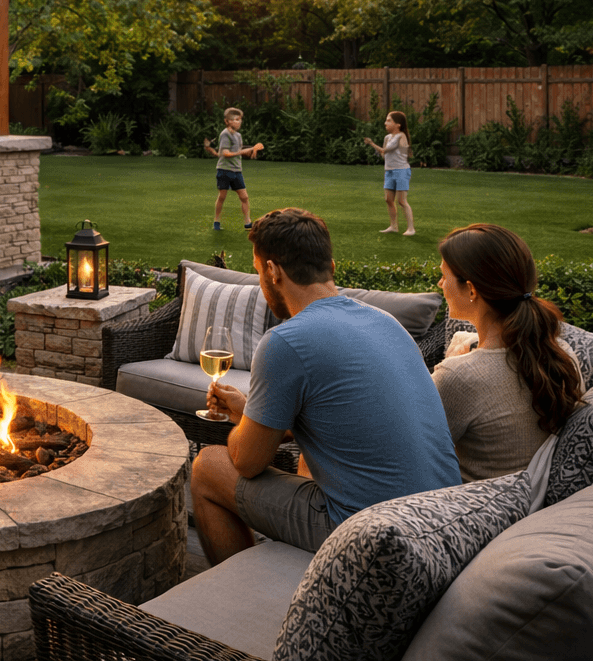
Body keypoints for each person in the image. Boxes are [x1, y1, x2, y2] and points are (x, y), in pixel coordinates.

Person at [193, 208, 460, 565]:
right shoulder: (386, 323)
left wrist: (241, 425)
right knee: (306, 459)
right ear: (330, 267)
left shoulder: (285, 341)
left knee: (208, 466)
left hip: (375, 539)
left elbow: (247, 462)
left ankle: (242, 586)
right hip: (445, 524)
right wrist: (250, 409)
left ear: (272, 271)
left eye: (258, 272)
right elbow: (338, 417)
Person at [433, 224, 584, 482]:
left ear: (471, 290)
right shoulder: (559, 353)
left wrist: (454, 364)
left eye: (444, 275)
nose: (440, 284)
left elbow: (405, 453)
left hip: (461, 509)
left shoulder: (459, 376)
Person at [211, 107, 265, 231]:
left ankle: (248, 223)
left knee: (244, 197)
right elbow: (225, 153)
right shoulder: (225, 134)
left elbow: (239, 152)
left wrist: (253, 151)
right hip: (224, 170)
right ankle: (216, 222)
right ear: (227, 121)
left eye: (240, 120)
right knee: (222, 197)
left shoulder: (238, 135)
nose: (239, 122)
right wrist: (245, 150)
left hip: (237, 171)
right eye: (235, 120)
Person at [363, 111, 414, 235]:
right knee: (388, 199)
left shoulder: (401, 136)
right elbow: (384, 155)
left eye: (389, 120)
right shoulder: (387, 138)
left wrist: (371, 143)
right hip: (389, 171)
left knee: (402, 201)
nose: (385, 123)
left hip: (401, 171)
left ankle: (411, 229)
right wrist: (381, 152)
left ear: (398, 124)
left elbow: (385, 150)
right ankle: (393, 226)